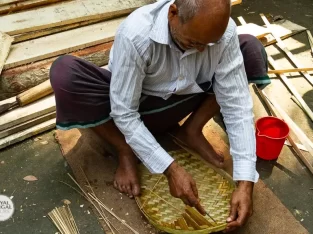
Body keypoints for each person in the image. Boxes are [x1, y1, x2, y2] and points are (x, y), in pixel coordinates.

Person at [50, 0, 270, 232]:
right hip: (134, 108)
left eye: (209, 43)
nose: (203, 50)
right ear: (173, 14)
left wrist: (245, 183)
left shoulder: (223, 33)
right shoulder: (136, 34)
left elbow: (236, 103)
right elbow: (124, 111)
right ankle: (124, 149)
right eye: (194, 42)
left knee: (250, 48)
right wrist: (170, 168)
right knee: (65, 74)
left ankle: (191, 130)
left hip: (183, 98)